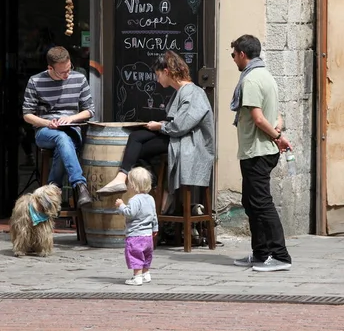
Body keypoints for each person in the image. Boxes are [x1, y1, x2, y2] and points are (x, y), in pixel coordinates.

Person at [98, 51, 214, 204]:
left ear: (166, 72)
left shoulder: (192, 92)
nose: (158, 80)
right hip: (178, 137)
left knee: (140, 150)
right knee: (136, 137)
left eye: (158, 75)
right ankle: (123, 178)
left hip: (188, 143)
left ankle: (156, 189)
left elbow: (182, 125)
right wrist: (160, 126)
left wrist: (160, 126)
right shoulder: (183, 91)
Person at [230, 34, 293, 272]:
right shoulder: (266, 76)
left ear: (243, 55)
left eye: (234, 54)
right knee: (251, 202)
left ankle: (280, 256)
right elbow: (278, 115)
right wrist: (277, 130)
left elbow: (258, 118)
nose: (234, 59)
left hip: (257, 150)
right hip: (255, 150)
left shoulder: (251, 80)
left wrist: (278, 137)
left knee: (262, 204)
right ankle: (260, 253)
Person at [22, 46, 95, 207]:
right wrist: (47, 123)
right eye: (62, 72)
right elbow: (27, 115)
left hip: (72, 128)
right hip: (45, 130)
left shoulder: (79, 78)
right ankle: (79, 184)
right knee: (61, 137)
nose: (67, 74)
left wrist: (70, 118)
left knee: (64, 141)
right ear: (50, 68)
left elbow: (90, 110)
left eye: (69, 69)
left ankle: (52, 190)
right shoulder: (36, 81)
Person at [115, 166, 159, 286]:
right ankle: (146, 274)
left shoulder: (134, 200)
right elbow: (154, 215)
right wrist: (155, 228)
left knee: (135, 255)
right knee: (146, 254)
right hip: (148, 236)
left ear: (133, 185)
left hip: (135, 235)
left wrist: (121, 205)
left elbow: (130, 213)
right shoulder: (150, 199)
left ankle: (137, 277)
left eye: (128, 183)